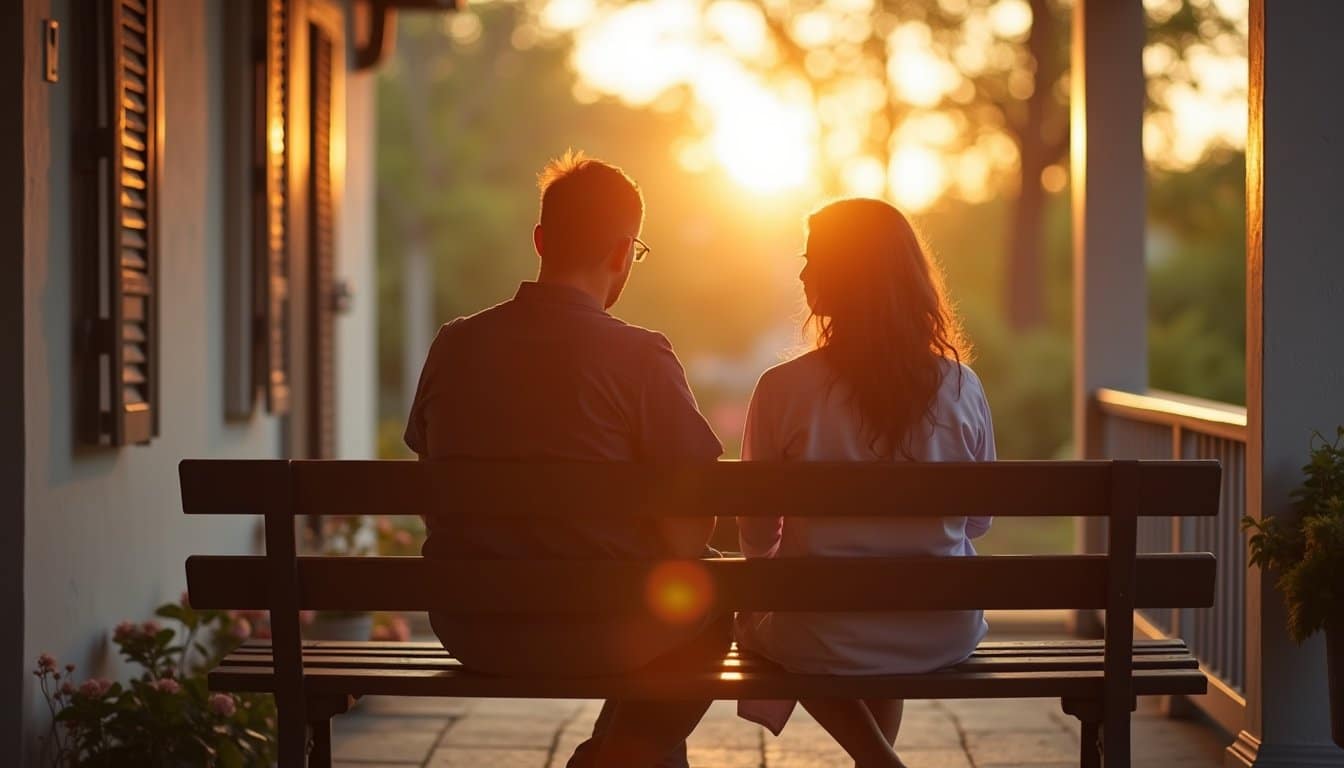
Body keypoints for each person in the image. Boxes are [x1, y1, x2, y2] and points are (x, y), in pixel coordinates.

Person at [404, 150, 726, 768]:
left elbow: (432, 490)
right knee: (705, 596)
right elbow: (691, 531)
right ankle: (609, 760)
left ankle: (612, 754)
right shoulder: (641, 357)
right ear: (622, 251)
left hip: (473, 627)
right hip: (605, 633)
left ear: (541, 239)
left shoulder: (455, 345)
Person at [735, 198, 996, 768]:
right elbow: (979, 520)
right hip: (939, 628)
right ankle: (876, 760)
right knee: (867, 613)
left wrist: (773, 569)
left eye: (815, 260)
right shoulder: (962, 386)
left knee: (784, 622)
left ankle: (878, 762)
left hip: (823, 630)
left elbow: (755, 532)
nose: (802, 273)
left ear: (846, 277)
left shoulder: (782, 389)